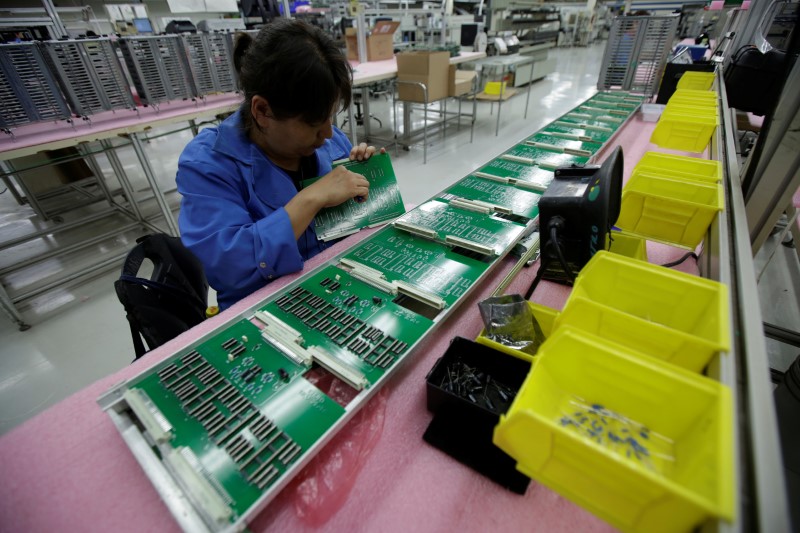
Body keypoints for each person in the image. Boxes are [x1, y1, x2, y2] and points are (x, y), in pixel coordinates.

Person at [176, 19, 381, 310]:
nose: (327, 134)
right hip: (264, 309)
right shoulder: (208, 163)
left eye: (330, 118)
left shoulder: (330, 140)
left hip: (340, 287)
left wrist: (365, 177)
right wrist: (311, 198)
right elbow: (230, 266)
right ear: (262, 111)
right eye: (313, 123)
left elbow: (355, 223)